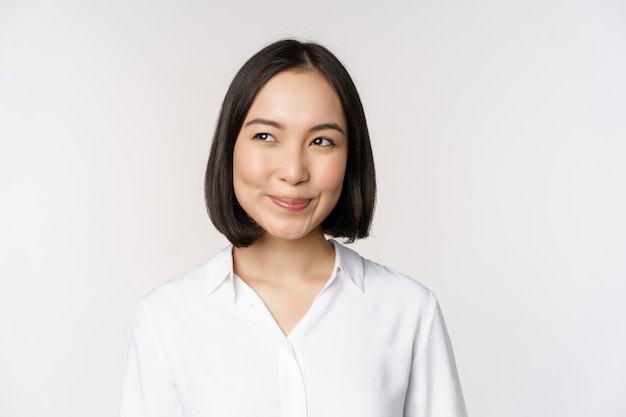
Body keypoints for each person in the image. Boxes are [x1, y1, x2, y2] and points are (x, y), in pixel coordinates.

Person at [121, 39, 468, 417]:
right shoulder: (167, 317)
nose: (293, 171)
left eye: (321, 141)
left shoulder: (409, 311)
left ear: (350, 158)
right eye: (266, 136)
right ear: (229, 146)